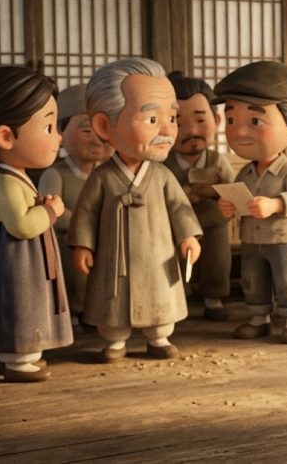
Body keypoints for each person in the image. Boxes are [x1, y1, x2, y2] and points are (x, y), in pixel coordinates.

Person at [70, 57, 203, 363]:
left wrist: (189, 237)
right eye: (152, 120)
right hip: (113, 257)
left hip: (158, 254)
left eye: (172, 118)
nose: (168, 131)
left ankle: (159, 336)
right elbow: (86, 212)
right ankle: (116, 342)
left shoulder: (162, 176)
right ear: (104, 125)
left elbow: (180, 208)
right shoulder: (103, 176)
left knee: (160, 298)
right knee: (113, 302)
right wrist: (83, 244)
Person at [0, 66, 72, 382]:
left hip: (26, 256)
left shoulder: (17, 178)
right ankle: (17, 359)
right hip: (15, 258)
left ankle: (22, 356)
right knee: (19, 303)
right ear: (6, 136)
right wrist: (51, 212)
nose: (58, 137)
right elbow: (20, 226)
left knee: (28, 302)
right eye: (49, 128)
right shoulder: (6, 183)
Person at [214, 61, 287, 344]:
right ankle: (259, 318)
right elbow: (237, 195)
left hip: (284, 237)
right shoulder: (245, 172)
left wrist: (277, 205)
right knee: (252, 278)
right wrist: (229, 207)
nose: (240, 132)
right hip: (251, 237)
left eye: (255, 121)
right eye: (231, 121)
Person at [38, 83, 114, 328]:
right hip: (68, 243)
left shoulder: (107, 173)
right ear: (61, 134)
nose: (96, 139)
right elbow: (50, 211)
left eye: (102, 130)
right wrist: (85, 227)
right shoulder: (56, 174)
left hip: (103, 241)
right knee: (74, 281)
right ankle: (72, 314)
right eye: (85, 131)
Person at [164, 71, 236, 322]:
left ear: (216, 121)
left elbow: (233, 188)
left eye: (200, 120)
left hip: (214, 221)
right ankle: (179, 297)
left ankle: (213, 298)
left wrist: (219, 195)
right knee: (176, 261)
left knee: (217, 261)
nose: (191, 130)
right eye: (179, 122)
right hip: (178, 226)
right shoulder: (165, 164)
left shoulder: (217, 160)